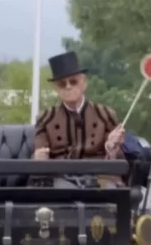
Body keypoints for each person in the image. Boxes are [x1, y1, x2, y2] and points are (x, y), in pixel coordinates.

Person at [33, 51, 126, 188]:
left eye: (73, 81)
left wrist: (112, 147)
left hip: (100, 175)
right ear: (56, 89)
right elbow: (39, 152)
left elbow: (120, 159)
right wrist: (39, 158)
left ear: (83, 83)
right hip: (62, 177)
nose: (68, 86)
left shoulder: (105, 114)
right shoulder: (46, 118)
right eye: (62, 84)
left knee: (108, 190)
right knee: (63, 191)